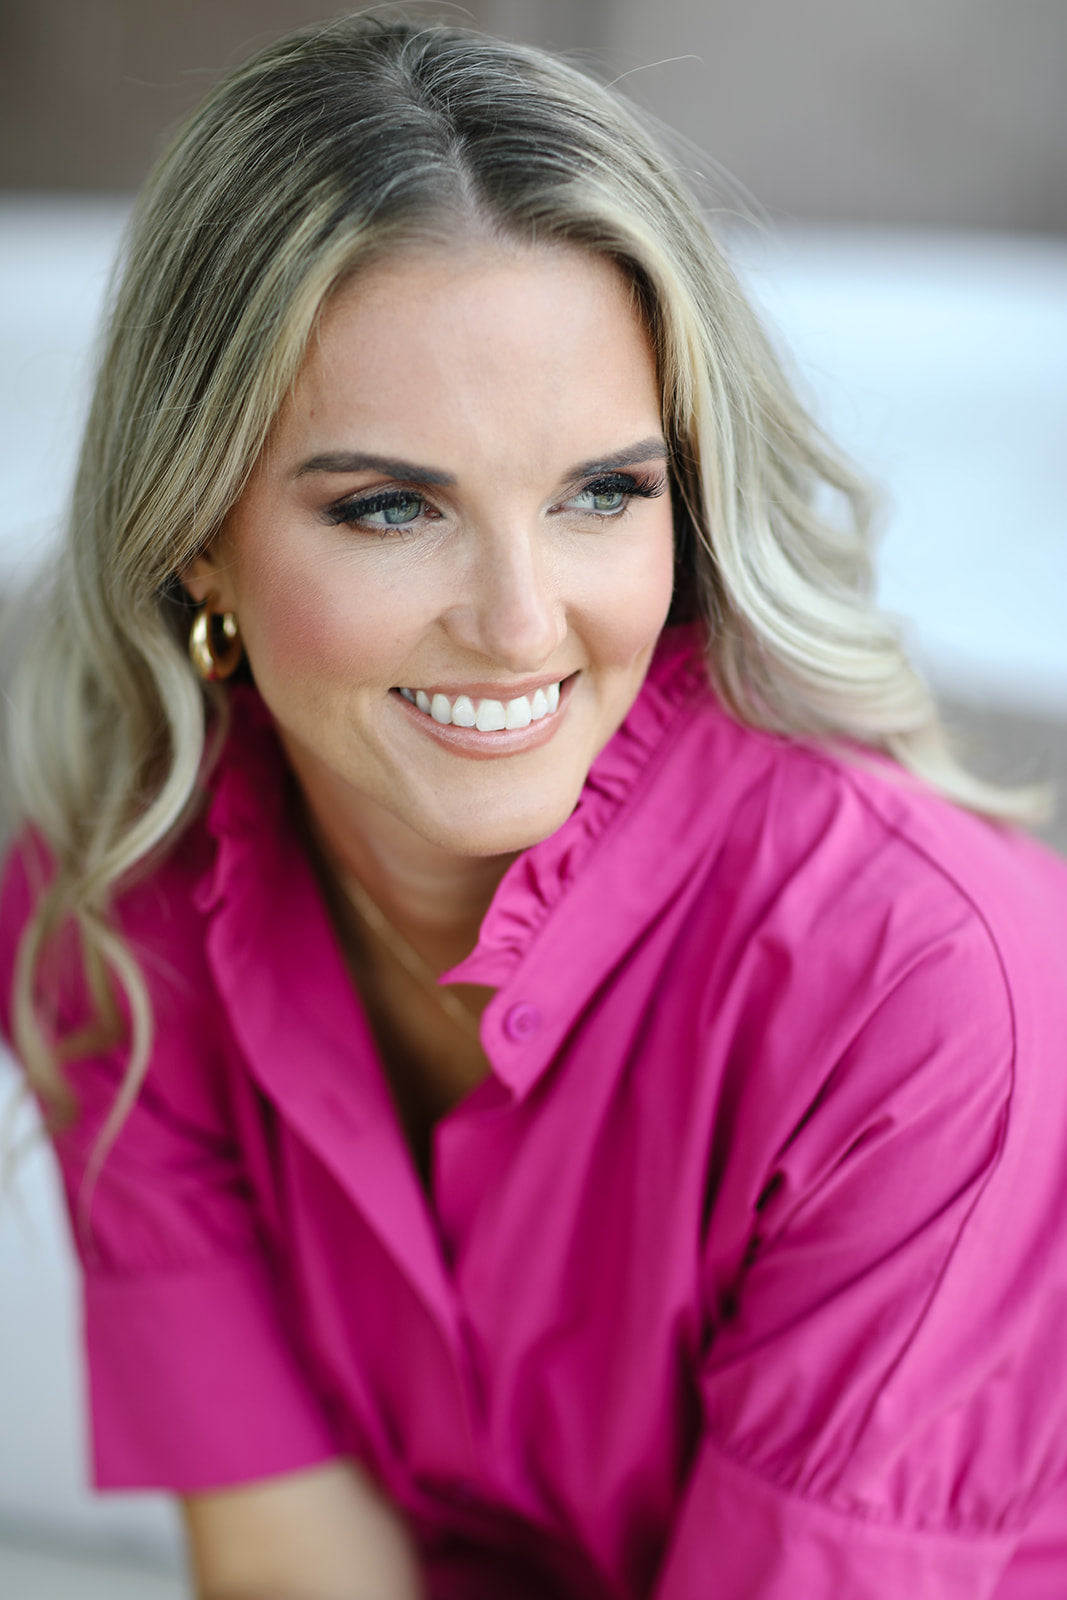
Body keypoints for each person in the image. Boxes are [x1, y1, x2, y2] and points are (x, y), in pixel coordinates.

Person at [2, 13, 1066, 1599]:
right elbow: (294, 1571)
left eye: (601, 493)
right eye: (391, 507)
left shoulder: (922, 989)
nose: (518, 625)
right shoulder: (113, 905)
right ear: (195, 537)